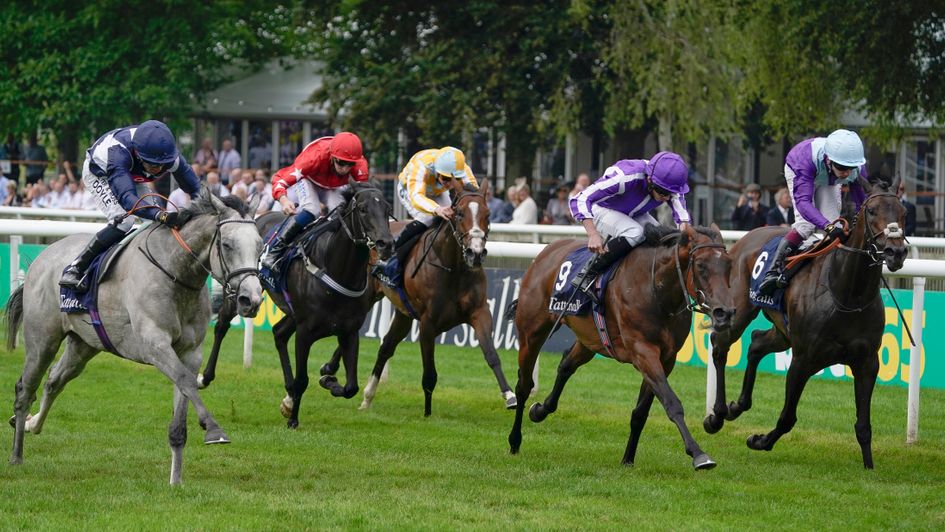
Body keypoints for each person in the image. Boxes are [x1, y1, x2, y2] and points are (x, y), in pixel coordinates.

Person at [59, 120, 201, 292]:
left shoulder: (167, 156)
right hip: (100, 173)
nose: (159, 170)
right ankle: (76, 268)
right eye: (154, 165)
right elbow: (128, 200)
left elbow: (196, 189)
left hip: (132, 174)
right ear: (139, 155)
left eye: (164, 165)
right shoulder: (118, 154)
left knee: (156, 223)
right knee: (125, 222)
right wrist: (161, 215)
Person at [757, 129, 868, 295]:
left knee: (833, 227)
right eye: (842, 167)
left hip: (828, 178)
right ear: (829, 159)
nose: (846, 173)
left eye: (850, 168)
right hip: (801, 169)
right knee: (806, 225)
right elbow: (804, 203)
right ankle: (773, 271)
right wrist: (827, 225)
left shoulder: (857, 168)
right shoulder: (805, 161)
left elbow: (862, 204)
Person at [570, 151, 691, 298]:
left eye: (670, 194)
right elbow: (579, 199)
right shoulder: (626, 177)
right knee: (635, 232)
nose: (666, 198)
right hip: (601, 208)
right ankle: (587, 274)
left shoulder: (671, 185)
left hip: (632, 212)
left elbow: (683, 221)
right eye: (662, 192)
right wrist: (593, 234)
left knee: (662, 237)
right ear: (650, 179)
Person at [261, 132, 369, 271]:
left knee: (341, 214)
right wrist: (284, 200)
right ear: (332, 157)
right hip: (308, 180)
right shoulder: (314, 157)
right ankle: (276, 251)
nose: (345, 169)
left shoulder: (360, 165)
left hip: (332, 186)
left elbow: (364, 194)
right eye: (341, 163)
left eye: (350, 165)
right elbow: (279, 179)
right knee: (313, 209)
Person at [373, 146, 478, 274]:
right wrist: (437, 209)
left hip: (436, 191)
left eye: (453, 180)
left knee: (452, 219)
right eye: (445, 179)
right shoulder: (421, 165)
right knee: (427, 218)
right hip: (410, 190)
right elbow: (417, 196)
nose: (449, 184)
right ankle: (390, 256)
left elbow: (474, 194)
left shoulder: (461, 168)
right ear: (437, 171)